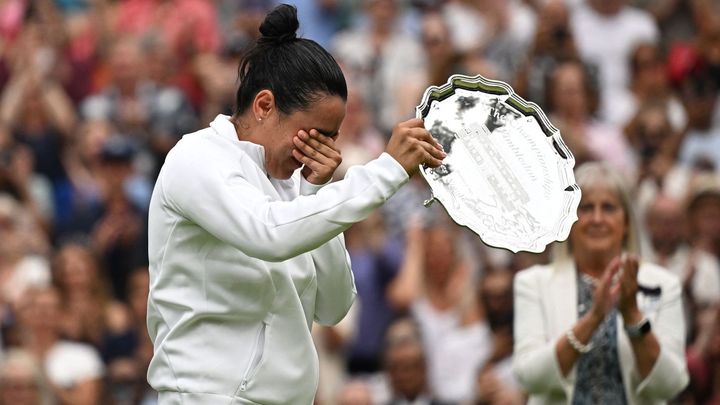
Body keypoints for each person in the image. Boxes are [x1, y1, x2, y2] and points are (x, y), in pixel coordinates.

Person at [145, 4, 446, 405]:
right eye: (315, 133)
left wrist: (316, 192)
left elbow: (334, 307)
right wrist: (387, 170)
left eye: (331, 137)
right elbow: (270, 233)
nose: (321, 148)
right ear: (264, 105)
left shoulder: (293, 189)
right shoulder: (196, 157)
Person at [512, 162, 689, 404]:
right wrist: (594, 317)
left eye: (608, 208)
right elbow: (530, 378)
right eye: (585, 208)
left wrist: (633, 317)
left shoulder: (663, 284)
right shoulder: (533, 283)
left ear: (626, 222)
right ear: (568, 220)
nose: (597, 219)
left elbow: (670, 385)